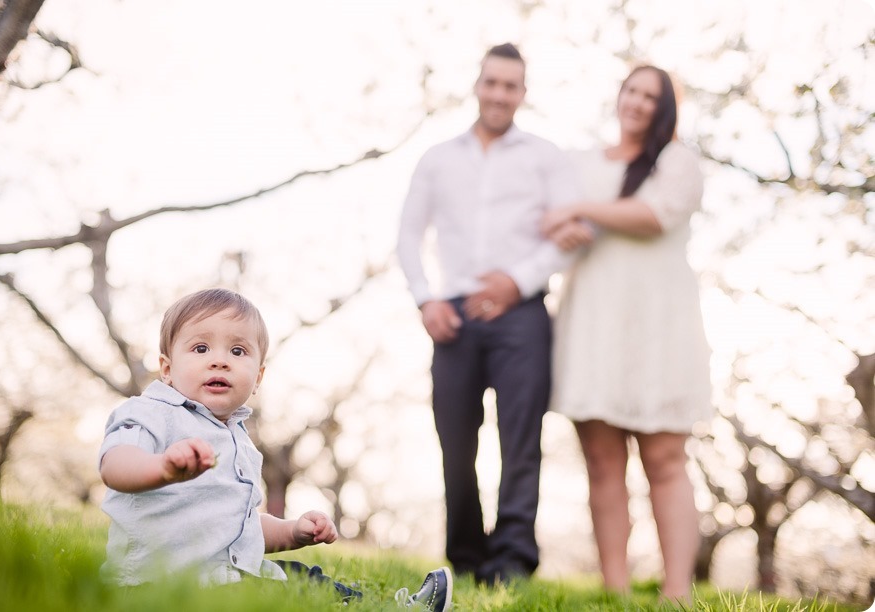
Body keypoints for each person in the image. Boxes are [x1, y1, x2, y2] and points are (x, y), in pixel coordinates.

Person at [98, 288, 453, 611]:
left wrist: (293, 530)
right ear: (167, 369)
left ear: (258, 378)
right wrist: (161, 468)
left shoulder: (241, 443)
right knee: (278, 593)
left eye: (238, 351)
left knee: (302, 577)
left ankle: (389, 608)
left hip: (225, 578)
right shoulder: (152, 412)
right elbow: (114, 465)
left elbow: (241, 527)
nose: (220, 360)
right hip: (158, 587)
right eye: (201, 348)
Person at [396, 43, 586, 586]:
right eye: (492, 83)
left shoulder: (546, 157)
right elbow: (409, 235)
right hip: (451, 316)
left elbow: (573, 236)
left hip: (522, 314)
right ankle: (466, 558)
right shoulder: (437, 158)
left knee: (520, 440)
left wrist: (516, 281)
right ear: (478, 85)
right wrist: (424, 299)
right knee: (455, 442)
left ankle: (512, 562)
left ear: (523, 94)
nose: (500, 93)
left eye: (511, 85)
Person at [542, 65, 712, 602]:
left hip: (660, 329)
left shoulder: (678, 161)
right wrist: (563, 222)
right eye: (631, 90)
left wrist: (581, 210)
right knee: (601, 462)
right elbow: (548, 219)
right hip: (592, 327)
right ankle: (615, 588)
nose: (637, 102)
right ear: (619, 96)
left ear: (665, 108)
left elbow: (654, 215)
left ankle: (676, 590)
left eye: (650, 96)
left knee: (665, 460)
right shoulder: (580, 164)